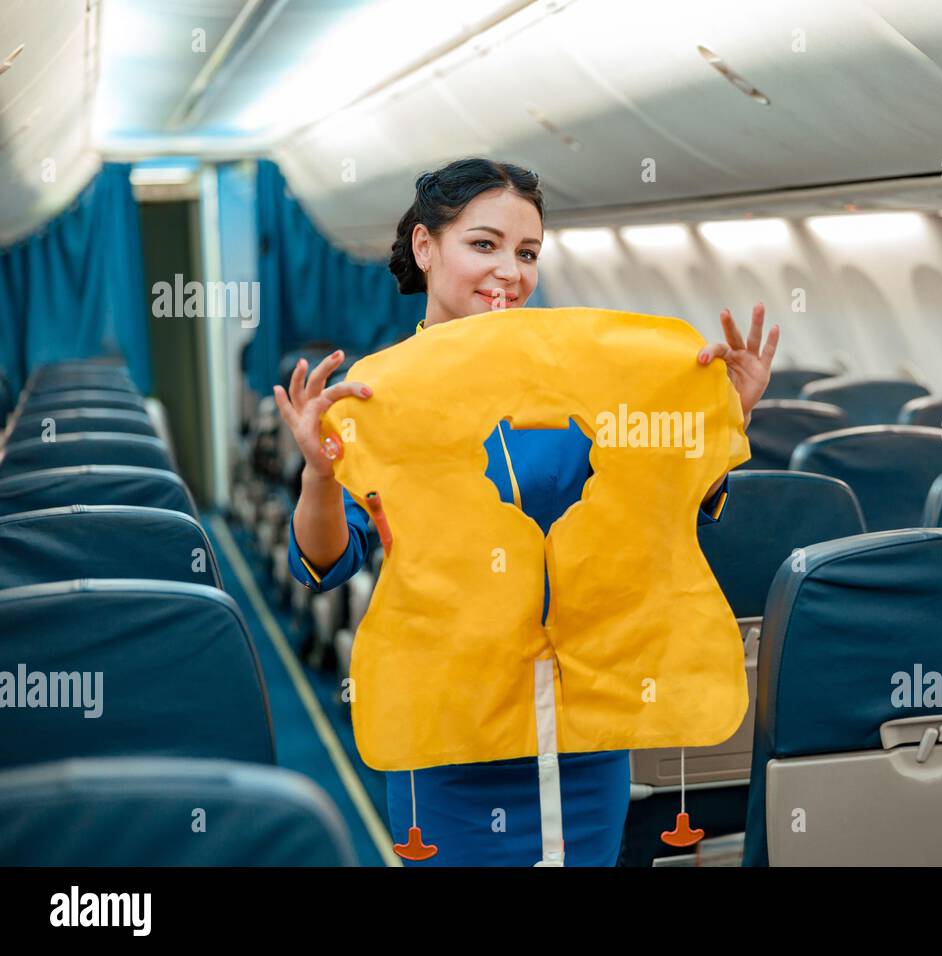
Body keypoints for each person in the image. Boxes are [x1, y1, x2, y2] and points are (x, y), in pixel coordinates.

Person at [271, 157, 779, 865]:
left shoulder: (592, 388)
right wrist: (321, 478)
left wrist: (722, 422)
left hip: (586, 725)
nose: (509, 271)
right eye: (484, 245)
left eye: (527, 252)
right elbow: (326, 566)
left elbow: (648, 531)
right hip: (452, 729)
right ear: (425, 247)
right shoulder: (376, 399)